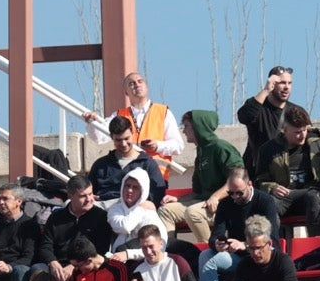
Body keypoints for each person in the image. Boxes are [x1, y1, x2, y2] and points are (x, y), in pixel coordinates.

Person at [252, 103, 320, 234]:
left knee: (315, 197)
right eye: (297, 132)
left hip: (311, 193)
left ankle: (315, 244)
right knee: (268, 203)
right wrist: (272, 187)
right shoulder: (268, 149)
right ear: (285, 129)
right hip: (285, 196)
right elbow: (259, 181)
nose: (302, 135)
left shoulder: (317, 143)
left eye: (304, 130)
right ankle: (274, 248)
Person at [161, 109, 243, 242]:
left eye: (186, 126)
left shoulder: (220, 148)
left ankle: (210, 252)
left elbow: (238, 178)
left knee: (193, 212)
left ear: (198, 127)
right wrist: (178, 199)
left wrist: (216, 196)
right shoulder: (201, 153)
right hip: (203, 204)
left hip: (227, 205)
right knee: (166, 211)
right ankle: (171, 253)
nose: (183, 131)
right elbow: (197, 192)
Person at [84, 70, 183, 176]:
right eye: (131, 83)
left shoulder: (163, 112)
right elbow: (99, 137)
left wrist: (157, 145)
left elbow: (178, 146)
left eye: (140, 81)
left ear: (146, 86)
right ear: (126, 92)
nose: (136, 85)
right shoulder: (119, 115)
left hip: (156, 176)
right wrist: (92, 123)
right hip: (127, 176)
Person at [39, 176, 115, 281]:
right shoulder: (56, 218)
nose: (89, 199)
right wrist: (53, 262)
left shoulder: (101, 217)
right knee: (37, 271)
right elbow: (46, 245)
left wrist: (75, 266)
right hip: (58, 265)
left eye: (90, 193)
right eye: (83, 196)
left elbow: (101, 249)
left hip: (85, 264)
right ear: (70, 196)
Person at [88, 114, 168, 203]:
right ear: (111, 137)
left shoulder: (147, 164)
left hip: (137, 209)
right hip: (103, 208)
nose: (123, 144)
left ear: (132, 133)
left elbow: (157, 194)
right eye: (118, 140)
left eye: (127, 138)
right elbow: (87, 190)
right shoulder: (100, 165)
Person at [238, 66, 294, 157]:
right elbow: (244, 117)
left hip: (286, 168)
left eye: (289, 83)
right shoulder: (258, 108)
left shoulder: (296, 111)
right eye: (282, 83)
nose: (287, 87)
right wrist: (266, 90)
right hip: (260, 168)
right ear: (272, 84)